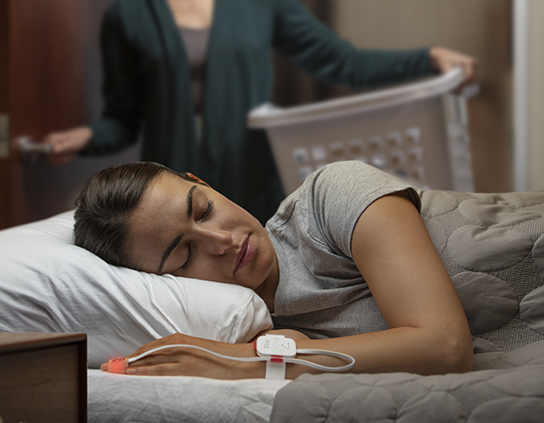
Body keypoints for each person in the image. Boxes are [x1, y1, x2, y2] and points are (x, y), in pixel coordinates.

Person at [44, 0, 478, 224]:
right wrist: (83, 137)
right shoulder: (129, 13)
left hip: (256, 188)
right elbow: (123, 117)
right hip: (170, 198)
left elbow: (343, 62)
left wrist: (429, 58)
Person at [73, 159, 474, 380]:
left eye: (204, 209)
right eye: (185, 255)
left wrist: (251, 361)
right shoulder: (253, 327)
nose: (222, 241)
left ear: (204, 183)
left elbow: (446, 347)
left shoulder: (329, 198)